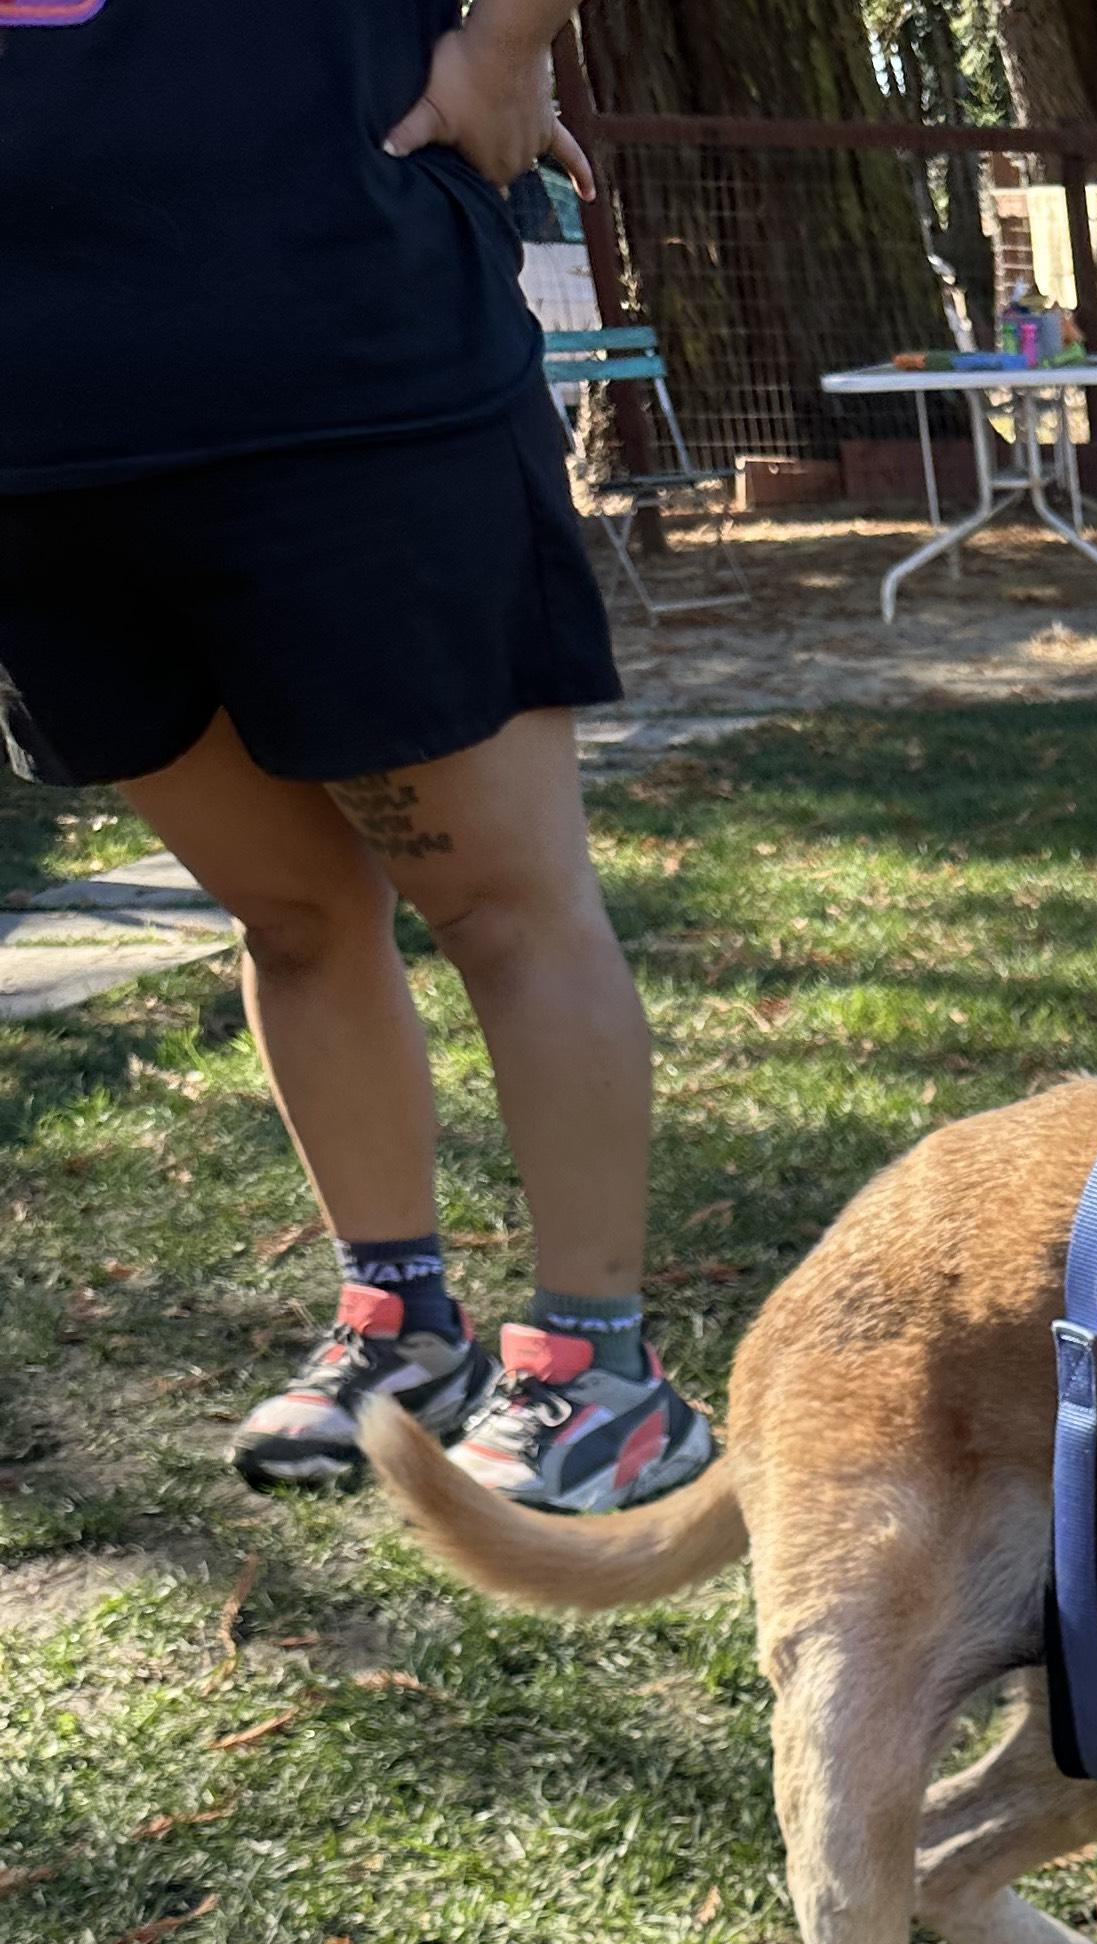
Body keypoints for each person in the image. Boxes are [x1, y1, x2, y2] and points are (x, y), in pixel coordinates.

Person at [0, 0, 714, 1518]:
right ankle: (399, 1324)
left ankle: (604, 1374)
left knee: (501, 906)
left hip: (349, 370)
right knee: (292, 916)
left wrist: (509, 42)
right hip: (42, 446)